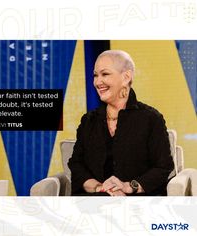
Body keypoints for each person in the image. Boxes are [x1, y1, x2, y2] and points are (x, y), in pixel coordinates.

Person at [68, 50, 174, 196]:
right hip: (94, 203)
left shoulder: (151, 118)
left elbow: (163, 167)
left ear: (126, 77)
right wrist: (101, 188)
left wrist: (129, 187)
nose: (98, 82)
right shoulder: (88, 121)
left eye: (105, 74)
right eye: (95, 75)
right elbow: (76, 164)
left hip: (137, 203)